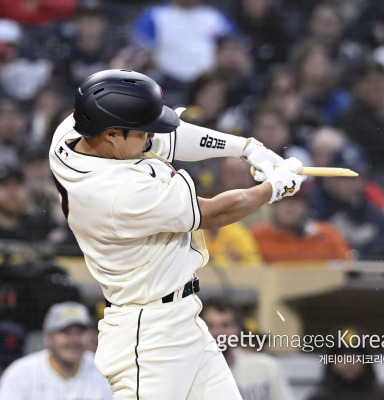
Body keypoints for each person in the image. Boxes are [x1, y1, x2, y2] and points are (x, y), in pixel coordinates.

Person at [48, 69, 306, 399]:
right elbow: (214, 213)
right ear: (112, 133)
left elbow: (172, 136)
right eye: (142, 132)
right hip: (149, 335)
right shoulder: (117, 193)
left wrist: (246, 147)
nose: (149, 138)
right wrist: (272, 189)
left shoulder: (76, 131)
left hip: (183, 318)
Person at [0, 301, 113, 399]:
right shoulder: (20, 373)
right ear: (48, 337)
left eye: (80, 332)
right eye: (66, 332)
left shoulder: (104, 371)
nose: (73, 340)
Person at [200, 296, 294, 400]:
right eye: (210, 325)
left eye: (226, 325)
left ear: (238, 329)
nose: (218, 332)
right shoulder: (188, 373)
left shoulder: (267, 367)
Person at [251, 189, 352, 264]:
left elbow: (346, 268)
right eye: (283, 200)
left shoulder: (327, 234)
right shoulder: (257, 236)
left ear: (306, 206)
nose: (290, 206)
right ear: (273, 206)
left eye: (297, 200)